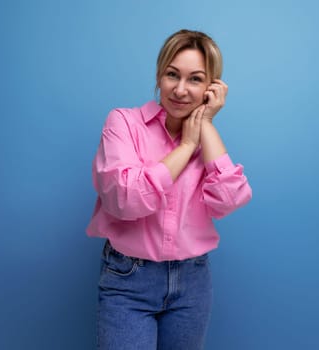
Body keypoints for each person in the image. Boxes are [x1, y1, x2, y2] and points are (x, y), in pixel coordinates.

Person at [86, 29, 252, 350]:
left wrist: (204, 125)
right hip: (128, 280)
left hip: (193, 282)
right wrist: (187, 146)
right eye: (172, 75)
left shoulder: (208, 138)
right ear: (159, 76)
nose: (179, 90)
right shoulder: (123, 123)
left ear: (211, 88)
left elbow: (230, 199)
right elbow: (127, 200)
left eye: (195, 79)